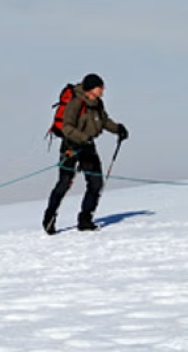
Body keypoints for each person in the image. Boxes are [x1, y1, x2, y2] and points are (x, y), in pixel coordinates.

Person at [44, 73, 129, 234]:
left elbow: (103, 121)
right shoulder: (75, 103)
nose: (103, 89)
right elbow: (66, 128)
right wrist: (83, 138)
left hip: (88, 147)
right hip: (71, 146)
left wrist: (118, 129)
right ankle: (49, 217)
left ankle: (85, 220)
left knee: (96, 183)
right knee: (64, 184)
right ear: (91, 89)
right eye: (100, 87)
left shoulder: (98, 103)